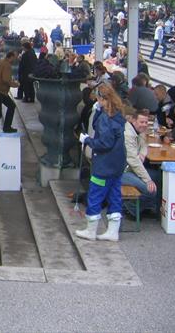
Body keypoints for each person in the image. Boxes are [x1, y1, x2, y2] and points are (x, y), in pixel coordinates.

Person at [76, 83, 127, 242]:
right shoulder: (117, 114)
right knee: (114, 195)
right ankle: (113, 232)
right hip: (117, 164)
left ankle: (91, 230)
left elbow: (104, 143)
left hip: (103, 165)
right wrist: (97, 110)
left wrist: (88, 140)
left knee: (95, 194)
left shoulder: (105, 118)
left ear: (102, 99)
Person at [121, 110, 160, 215]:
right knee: (150, 189)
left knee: (159, 176)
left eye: (146, 122)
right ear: (134, 120)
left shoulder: (138, 131)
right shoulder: (128, 134)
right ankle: (130, 208)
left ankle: (151, 207)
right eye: (141, 122)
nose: (144, 125)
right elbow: (133, 161)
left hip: (131, 169)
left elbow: (144, 145)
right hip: (122, 172)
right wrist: (147, 180)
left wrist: (142, 154)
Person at [0, 51, 19, 136]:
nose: (16, 58)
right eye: (15, 57)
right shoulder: (7, 65)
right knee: (0, 112)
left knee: (1, 111)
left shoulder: (3, 62)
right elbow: (6, 79)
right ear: (11, 57)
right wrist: (15, 84)